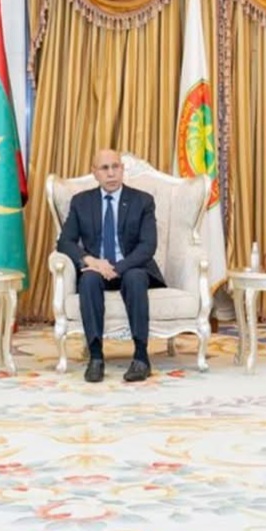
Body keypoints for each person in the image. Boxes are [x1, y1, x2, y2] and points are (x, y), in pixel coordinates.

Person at [55, 149, 163, 383]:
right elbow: (65, 242)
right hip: (96, 268)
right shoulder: (81, 202)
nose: (111, 173)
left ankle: (141, 357)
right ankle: (96, 358)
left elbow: (148, 246)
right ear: (95, 173)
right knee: (88, 280)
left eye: (116, 167)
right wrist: (91, 261)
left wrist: (117, 268)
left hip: (131, 266)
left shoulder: (143, 201)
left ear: (122, 170)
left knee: (135, 278)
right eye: (104, 168)